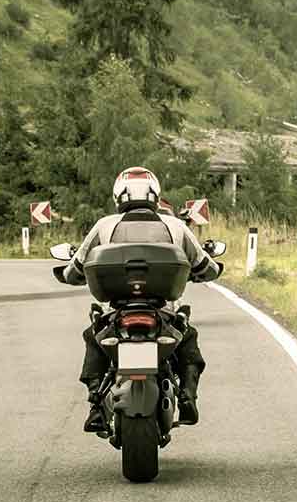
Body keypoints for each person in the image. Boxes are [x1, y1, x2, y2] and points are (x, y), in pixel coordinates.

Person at [64, 166, 220, 435]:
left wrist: (70, 274)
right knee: (187, 339)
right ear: (155, 195)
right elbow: (205, 266)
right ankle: (187, 397)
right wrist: (208, 269)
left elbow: (76, 267)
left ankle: (96, 405)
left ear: (118, 196)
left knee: (93, 338)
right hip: (162, 311)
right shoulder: (175, 225)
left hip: (118, 311)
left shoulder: (105, 225)